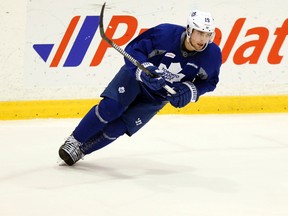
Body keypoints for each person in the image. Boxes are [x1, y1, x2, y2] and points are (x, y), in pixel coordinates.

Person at [58, 9, 222, 166]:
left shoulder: (212, 55)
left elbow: (210, 81)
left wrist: (191, 91)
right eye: (200, 33)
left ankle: (81, 150)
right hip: (135, 79)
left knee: (118, 127)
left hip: (158, 96)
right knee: (110, 109)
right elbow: (133, 50)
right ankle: (75, 140)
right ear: (189, 29)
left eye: (208, 34)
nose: (203, 39)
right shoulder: (164, 34)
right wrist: (145, 69)